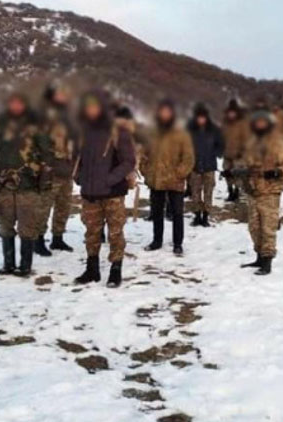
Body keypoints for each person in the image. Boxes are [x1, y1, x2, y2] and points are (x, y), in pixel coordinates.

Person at [72, 91, 136, 287]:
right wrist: (80, 177)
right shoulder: (83, 132)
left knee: (115, 233)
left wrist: (110, 179)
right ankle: (92, 269)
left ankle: (115, 270)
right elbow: (77, 159)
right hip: (90, 193)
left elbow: (129, 161)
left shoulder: (118, 132)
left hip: (112, 193)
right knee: (91, 232)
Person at [0, 92, 52, 278]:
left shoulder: (36, 124)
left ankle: (25, 266)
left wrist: (45, 180)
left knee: (27, 226)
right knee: (5, 224)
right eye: (12, 103)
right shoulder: (0, 124)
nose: (16, 106)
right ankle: (8, 264)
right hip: (4, 183)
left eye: (19, 103)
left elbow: (47, 154)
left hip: (28, 183)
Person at [233, 109, 283, 275]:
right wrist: (239, 171)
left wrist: (278, 172)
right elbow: (245, 163)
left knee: (268, 227)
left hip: (270, 190)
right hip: (253, 190)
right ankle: (259, 257)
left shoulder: (279, 142)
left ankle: (267, 261)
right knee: (254, 227)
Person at [142, 99, 195, 255]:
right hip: (156, 180)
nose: (164, 115)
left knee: (177, 213)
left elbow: (189, 158)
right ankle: (157, 240)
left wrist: (180, 174)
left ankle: (178, 243)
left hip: (175, 181)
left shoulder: (181, 134)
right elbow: (143, 154)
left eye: (167, 112)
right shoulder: (152, 133)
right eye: (162, 112)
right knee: (157, 212)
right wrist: (146, 171)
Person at [39, 82, 78, 254]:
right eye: (60, 94)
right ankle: (38, 239)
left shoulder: (68, 116)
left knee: (64, 206)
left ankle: (58, 238)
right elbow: (39, 143)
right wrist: (45, 164)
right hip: (51, 169)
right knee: (44, 207)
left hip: (67, 169)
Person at [187, 103, 224, 227]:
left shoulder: (214, 130)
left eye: (203, 117)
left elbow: (221, 145)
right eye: (199, 117)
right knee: (195, 193)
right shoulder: (190, 130)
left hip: (209, 166)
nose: (201, 120)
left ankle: (206, 216)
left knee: (208, 192)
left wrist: (215, 153)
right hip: (195, 166)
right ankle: (197, 215)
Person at [221, 99, 247, 202]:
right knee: (227, 173)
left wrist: (242, 150)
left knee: (237, 174)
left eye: (233, 112)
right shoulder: (225, 124)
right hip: (226, 153)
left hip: (238, 154)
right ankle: (230, 191)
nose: (231, 114)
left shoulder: (242, 124)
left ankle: (237, 191)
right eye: (230, 112)